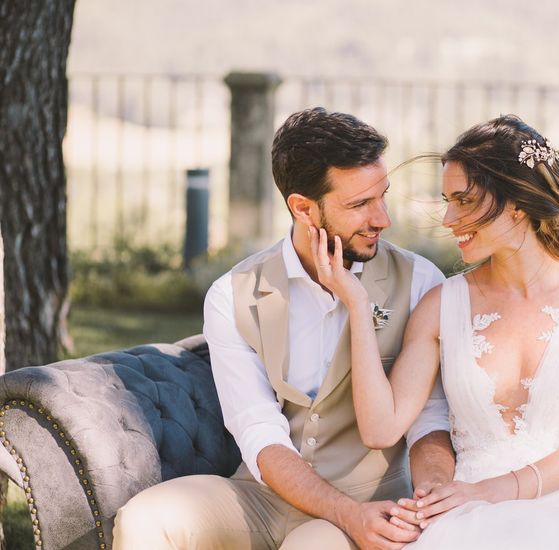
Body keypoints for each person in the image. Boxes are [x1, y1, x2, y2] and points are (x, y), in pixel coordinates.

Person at [113, 108, 456, 550]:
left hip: (372, 501)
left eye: (382, 196)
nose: (382, 219)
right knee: (145, 519)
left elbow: (430, 417)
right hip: (263, 496)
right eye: (359, 205)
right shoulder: (232, 295)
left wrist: (432, 494)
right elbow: (258, 432)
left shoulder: (421, 282)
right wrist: (342, 512)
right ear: (303, 208)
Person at [313, 115, 559, 549]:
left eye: (463, 201)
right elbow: (380, 429)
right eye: (447, 200)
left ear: (517, 203)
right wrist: (357, 305)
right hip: (461, 515)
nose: (448, 218)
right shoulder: (442, 305)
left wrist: (490, 492)